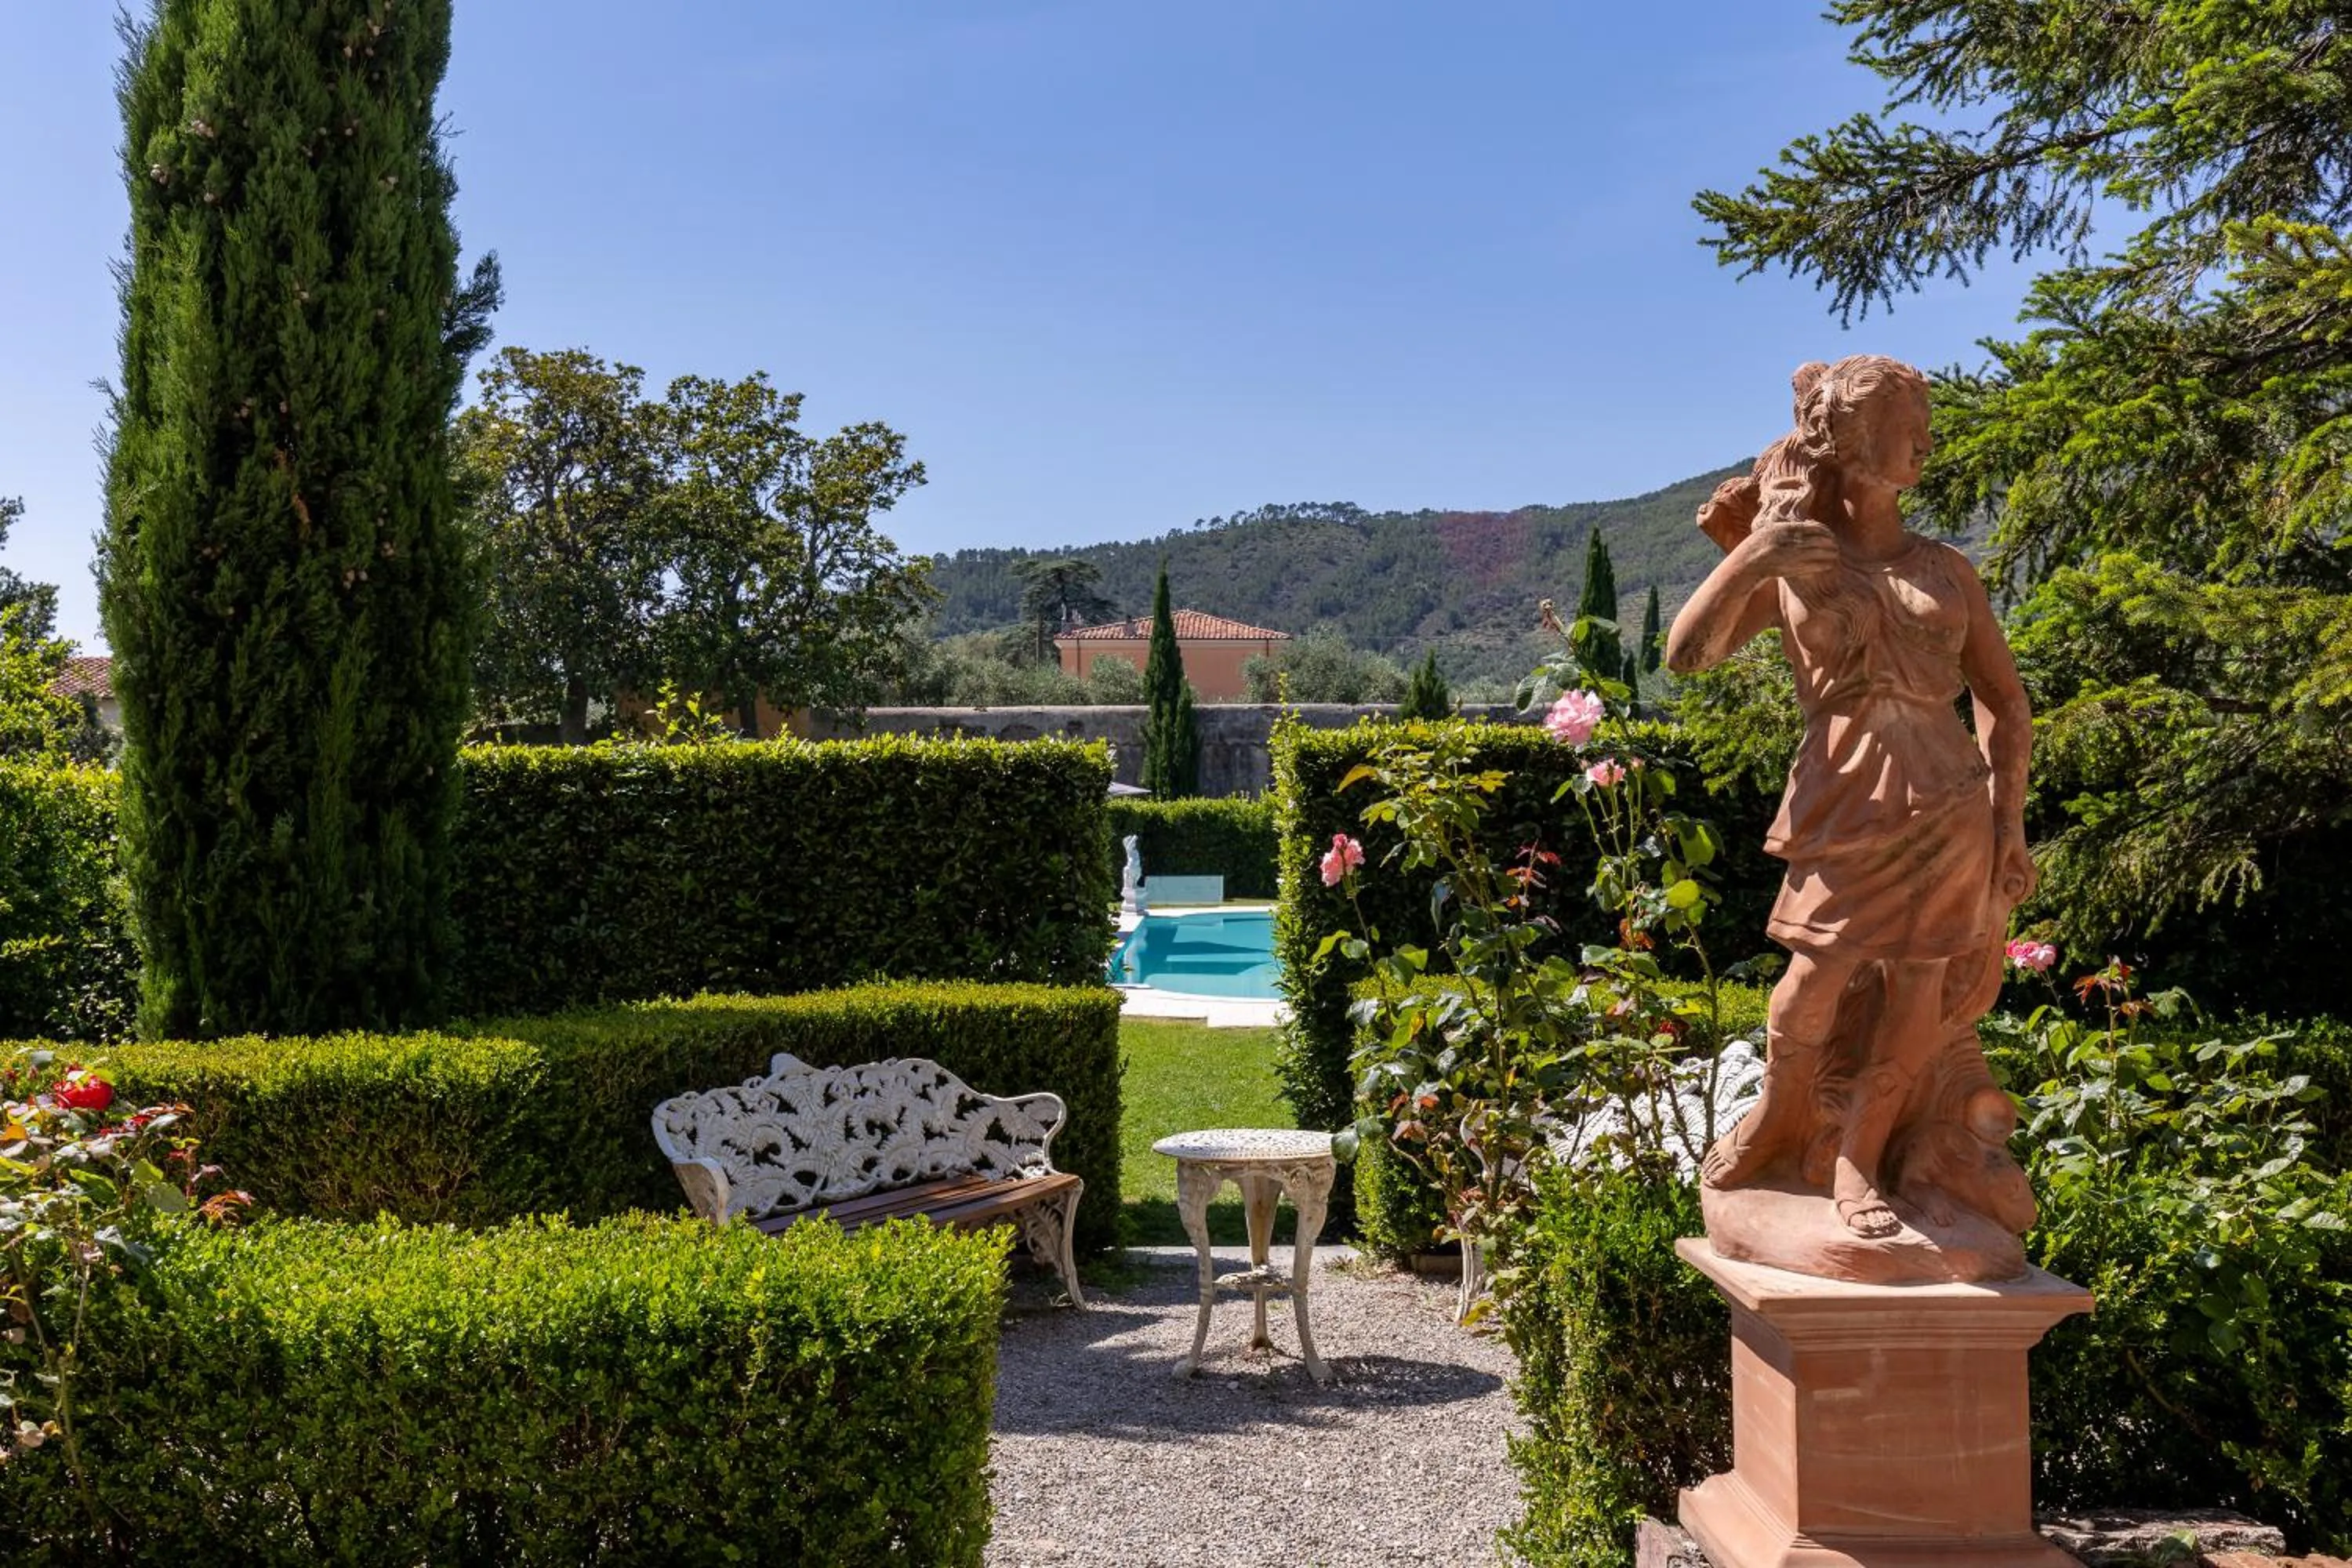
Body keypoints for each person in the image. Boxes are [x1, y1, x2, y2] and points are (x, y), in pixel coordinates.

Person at [1667, 354, 2034, 1241]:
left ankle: (1858, 1159)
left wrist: (2009, 823)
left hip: (1950, 805)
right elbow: (1686, 655)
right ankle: (1777, 1116)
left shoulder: (1946, 568)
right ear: (1850, 438)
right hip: (1844, 799)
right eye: (1907, 426)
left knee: (1919, 991)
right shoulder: (1800, 560)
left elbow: (2005, 701)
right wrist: (1751, 556)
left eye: (1925, 426)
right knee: (1811, 980)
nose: (1925, 443)